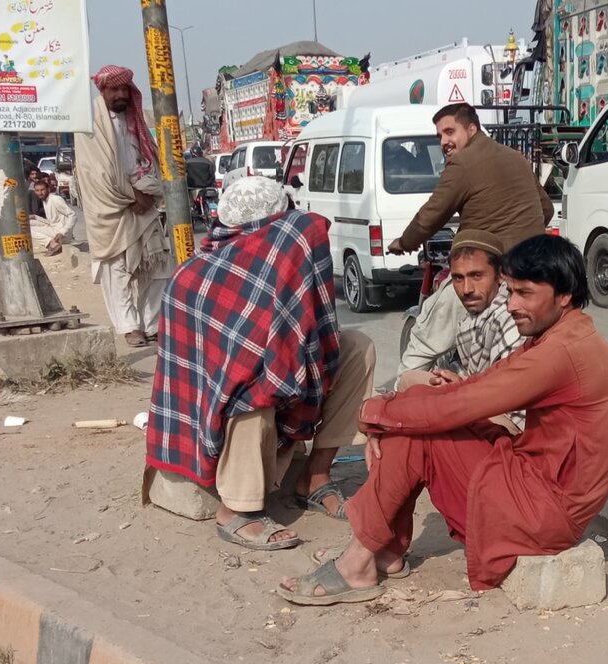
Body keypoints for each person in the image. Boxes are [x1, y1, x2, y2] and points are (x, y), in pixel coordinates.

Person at [278, 234, 608, 606]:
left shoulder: (562, 351)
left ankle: (360, 560)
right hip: (538, 488)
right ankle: (380, 549)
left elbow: (460, 406)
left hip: (545, 514)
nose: (512, 305)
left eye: (525, 294)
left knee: (417, 430)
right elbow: (488, 382)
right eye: (511, 292)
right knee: (415, 409)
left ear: (564, 296)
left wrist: (374, 414)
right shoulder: (565, 334)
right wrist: (401, 408)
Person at [144, 176, 376, 550]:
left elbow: (305, 330)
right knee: (254, 385)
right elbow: (225, 371)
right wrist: (279, 364)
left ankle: (315, 477)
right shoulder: (192, 277)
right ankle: (237, 510)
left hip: (273, 388)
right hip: (219, 412)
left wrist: (291, 361)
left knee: (357, 348)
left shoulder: (275, 261)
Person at [388, 103, 554, 379]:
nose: (444, 141)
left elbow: (431, 215)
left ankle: (399, 397)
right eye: (439, 136)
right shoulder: (515, 157)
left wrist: (404, 243)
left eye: (450, 132)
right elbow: (546, 209)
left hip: (489, 269)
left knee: (425, 337)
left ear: (472, 128)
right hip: (535, 268)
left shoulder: (462, 164)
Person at [75, 65, 172, 348]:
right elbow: (96, 173)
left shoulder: (133, 120)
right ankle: (130, 327)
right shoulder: (89, 123)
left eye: (124, 89)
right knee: (117, 270)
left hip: (144, 204)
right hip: (111, 208)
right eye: (114, 89)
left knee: (158, 264)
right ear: (102, 90)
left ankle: (152, 325)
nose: (120, 95)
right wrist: (133, 197)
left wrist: (148, 192)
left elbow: (147, 158)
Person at [396, 228, 525, 435]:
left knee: (412, 412)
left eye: (477, 276)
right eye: (458, 278)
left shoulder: (508, 314)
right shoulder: (477, 314)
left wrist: (463, 389)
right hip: (478, 397)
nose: (466, 289)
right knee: (408, 382)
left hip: (508, 420)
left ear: (500, 275)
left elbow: (509, 395)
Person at [29, 178, 77, 256]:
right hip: (54, 229)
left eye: (42, 190)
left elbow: (72, 215)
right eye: (37, 190)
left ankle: (52, 244)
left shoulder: (55, 199)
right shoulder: (45, 200)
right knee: (29, 223)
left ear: (48, 189)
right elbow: (51, 222)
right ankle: (52, 243)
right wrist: (35, 217)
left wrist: (62, 232)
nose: (40, 193)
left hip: (61, 234)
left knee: (27, 230)